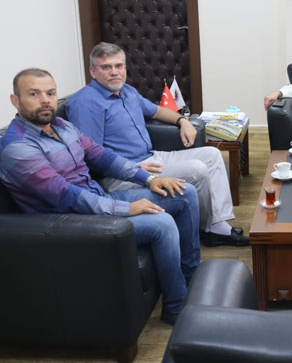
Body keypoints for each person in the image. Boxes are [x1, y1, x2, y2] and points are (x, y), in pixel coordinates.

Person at [0, 68, 202, 325]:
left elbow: (102, 156)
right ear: (15, 100)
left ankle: (192, 277)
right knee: (160, 222)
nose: (45, 100)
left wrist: (150, 179)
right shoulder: (18, 148)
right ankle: (176, 307)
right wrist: (126, 209)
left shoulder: (62, 126)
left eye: (50, 93)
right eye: (34, 94)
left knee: (184, 193)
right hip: (71, 223)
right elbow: (66, 196)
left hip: (97, 200)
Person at [67, 42, 248, 247]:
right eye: (106, 67)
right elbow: (91, 156)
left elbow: (156, 111)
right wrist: (132, 168)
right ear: (93, 71)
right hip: (124, 173)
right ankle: (206, 228)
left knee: (211, 155)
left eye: (119, 66)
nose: (114, 72)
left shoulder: (127, 91)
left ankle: (217, 225)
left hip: (152, 157)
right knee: (197, 169)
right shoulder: (85, 103)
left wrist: (183, 121)